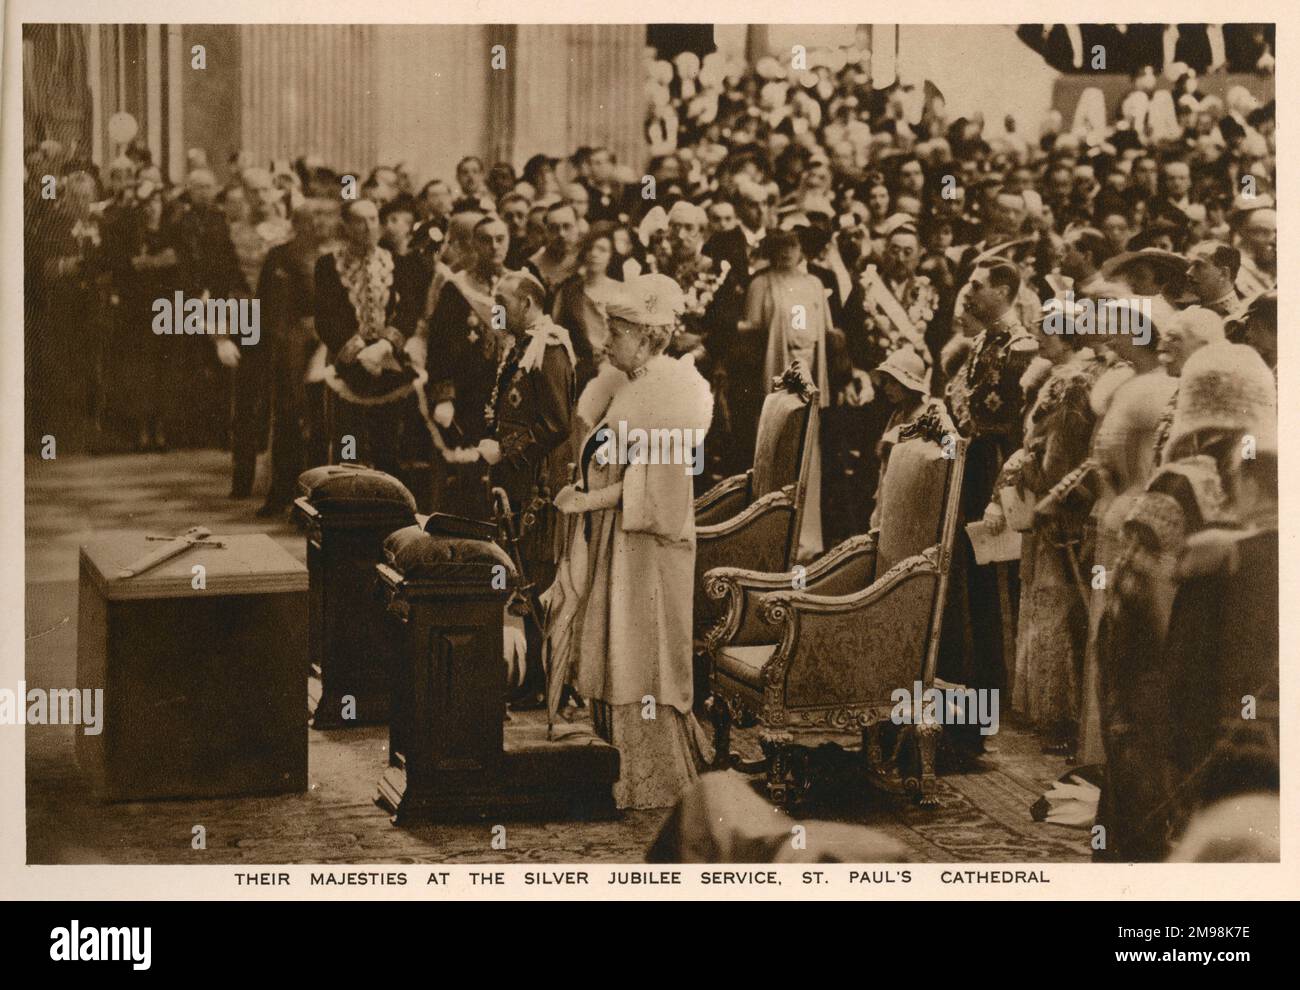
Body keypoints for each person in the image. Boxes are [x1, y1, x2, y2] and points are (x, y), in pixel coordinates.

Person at [555, 273, 714, 809]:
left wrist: (587, 501)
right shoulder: (632, 384)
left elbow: (661, 489)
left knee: (641, 651)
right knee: (617, 643)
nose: (605, 341)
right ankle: (616, 769)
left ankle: (652, 780)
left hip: (649, 552)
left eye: (617, 332)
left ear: (649, 338)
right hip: (621, 547)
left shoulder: (677, 394)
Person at [478, 271, 577, 704]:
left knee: (535, 577)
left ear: (527, 302)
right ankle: (527, 679)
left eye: (502, 301)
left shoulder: (549, 348)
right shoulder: (518, 346)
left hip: (537, 486)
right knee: (518, 577)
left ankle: (541, 684)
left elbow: (556, 424)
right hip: (513, 483)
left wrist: (509, 456)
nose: (495, 309)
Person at [314, 198, 422, 476]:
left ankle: (386, 507)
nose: (368, 227)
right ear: (347, 226)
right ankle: (347, 501)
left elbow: (409, 309)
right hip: (349, 360)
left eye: (373, 220)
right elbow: (325, 317)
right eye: (360, 221)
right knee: (348, 440)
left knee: (386, 439)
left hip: (387, 359)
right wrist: (358, 349)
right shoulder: (328, 265)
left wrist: (386, 343)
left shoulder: (398, 263)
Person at [254, 198, 338, 516]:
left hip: (325, 346)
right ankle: (280, 492)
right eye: (310, 218)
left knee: (320, 424)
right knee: (287, 418)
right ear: (297, 223)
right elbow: (268, 307)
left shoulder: (335, 256)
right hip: (289, 346)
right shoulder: (280, 255)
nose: (318, 224)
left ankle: (315, 497)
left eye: (324, 217)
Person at [550, 224, 622, 390]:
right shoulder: (569, 292)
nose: (594, 254)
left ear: (611, 256)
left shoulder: (621, 291)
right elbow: (556, 332)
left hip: (616, 370)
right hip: (580, 372)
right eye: (590, 248)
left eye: (602, 250)